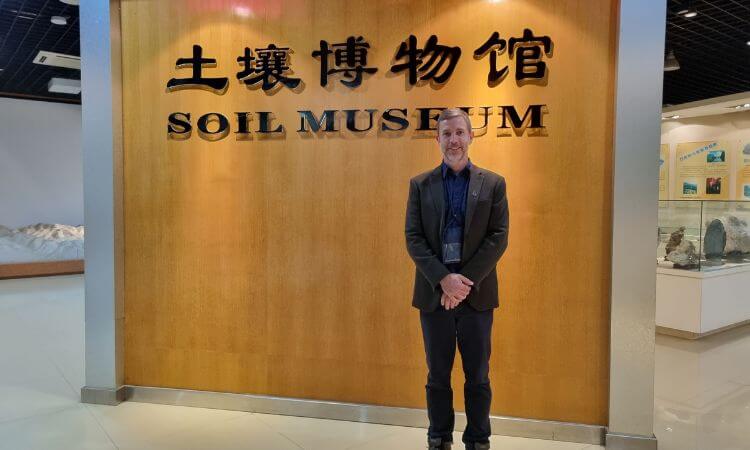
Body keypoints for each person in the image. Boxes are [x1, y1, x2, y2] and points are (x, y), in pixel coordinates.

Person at [405, 108, 509, 450]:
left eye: (459, 132)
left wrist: (462, 281)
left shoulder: (493, 183)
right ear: (437, 139)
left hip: (476, 296)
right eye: (447, 134)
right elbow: (414, 238)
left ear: (470, 136)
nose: (454, 140)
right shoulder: (420, 185)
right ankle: (439, 437)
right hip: (434, 294)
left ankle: (478, 439)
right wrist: (443, 280)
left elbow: (498, 237)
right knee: (437, 375)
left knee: (477, 375)